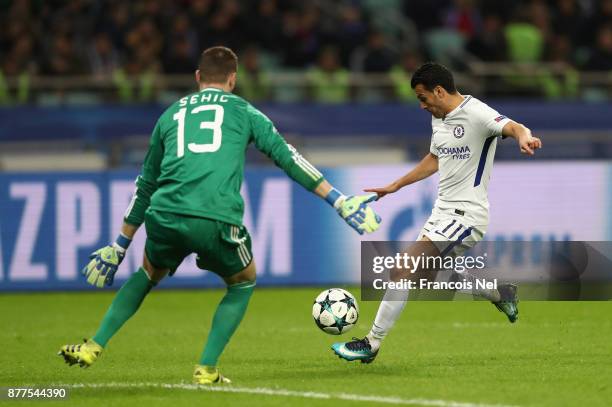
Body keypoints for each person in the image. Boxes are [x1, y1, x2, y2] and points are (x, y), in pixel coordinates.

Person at [58, 46, 381, 383]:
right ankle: (206, 368)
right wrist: (338, 200)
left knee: (148, 272)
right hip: (215, 217)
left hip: (164, 213)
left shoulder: (170, 114)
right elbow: (287, 157)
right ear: (233, 79)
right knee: (243, 281)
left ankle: (94, 344)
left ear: (198, 77)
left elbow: (146, 183)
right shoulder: (243, 110)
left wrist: (120, 243)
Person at [332, 62, 542, 364]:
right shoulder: (439, 118)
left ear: (439, 91)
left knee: (401, 269)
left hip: (467, 215)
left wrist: (524, 137)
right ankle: (500, 294)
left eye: (423, 97)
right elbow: (435, 158)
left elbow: (513, 127)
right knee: (426, 276)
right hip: (441, 214)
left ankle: (371, 342)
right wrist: (396, 185)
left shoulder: (477, 113)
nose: (422, 105)